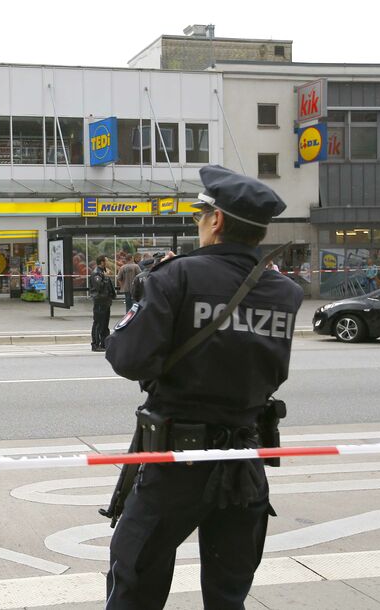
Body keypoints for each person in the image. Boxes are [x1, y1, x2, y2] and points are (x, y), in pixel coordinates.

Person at [103, 165, 303, 609]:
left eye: (199, 215)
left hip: (177, 463)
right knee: (229, 594)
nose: (198, 223)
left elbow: (127, 358)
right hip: (243, 463)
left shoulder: (175, 276)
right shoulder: (284, 292)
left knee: (135, 581)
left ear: (215, 220)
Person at [90, 255, 116, 352]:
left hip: (106, 301)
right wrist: (105, 277)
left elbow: (108, 286)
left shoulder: (103, 272)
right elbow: (99, 287)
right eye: (106, 261)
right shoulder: (96, 273)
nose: (108, 263)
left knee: (105, 324)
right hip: (100, 301)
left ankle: (104, 344)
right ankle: (95, 344)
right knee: (98, 323)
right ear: (102, 262)